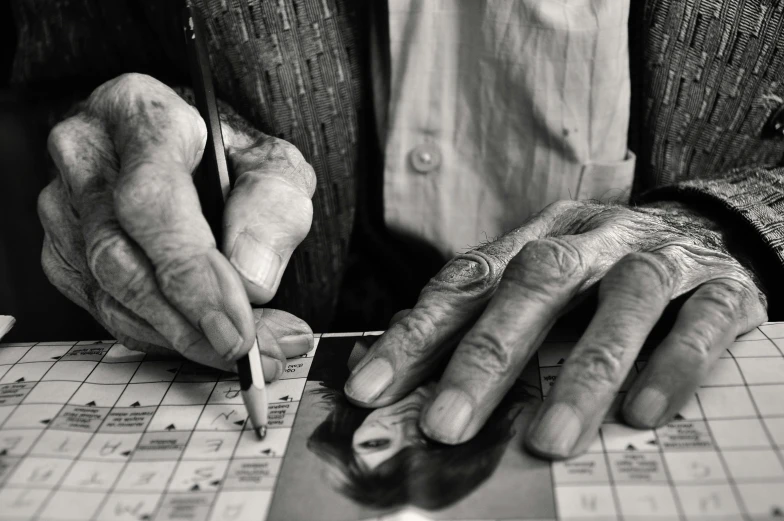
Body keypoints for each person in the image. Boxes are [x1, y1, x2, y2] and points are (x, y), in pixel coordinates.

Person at [9, 0, 783, 461]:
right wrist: (141, 142)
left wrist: (738, 225)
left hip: (694, 334)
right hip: (307, 310)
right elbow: (72, 40)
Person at [306, 338, 536, 509]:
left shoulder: (326, 356)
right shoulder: (527, 356)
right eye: (426, 442)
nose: (403, 428)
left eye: (375, 443)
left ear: (351, 433)